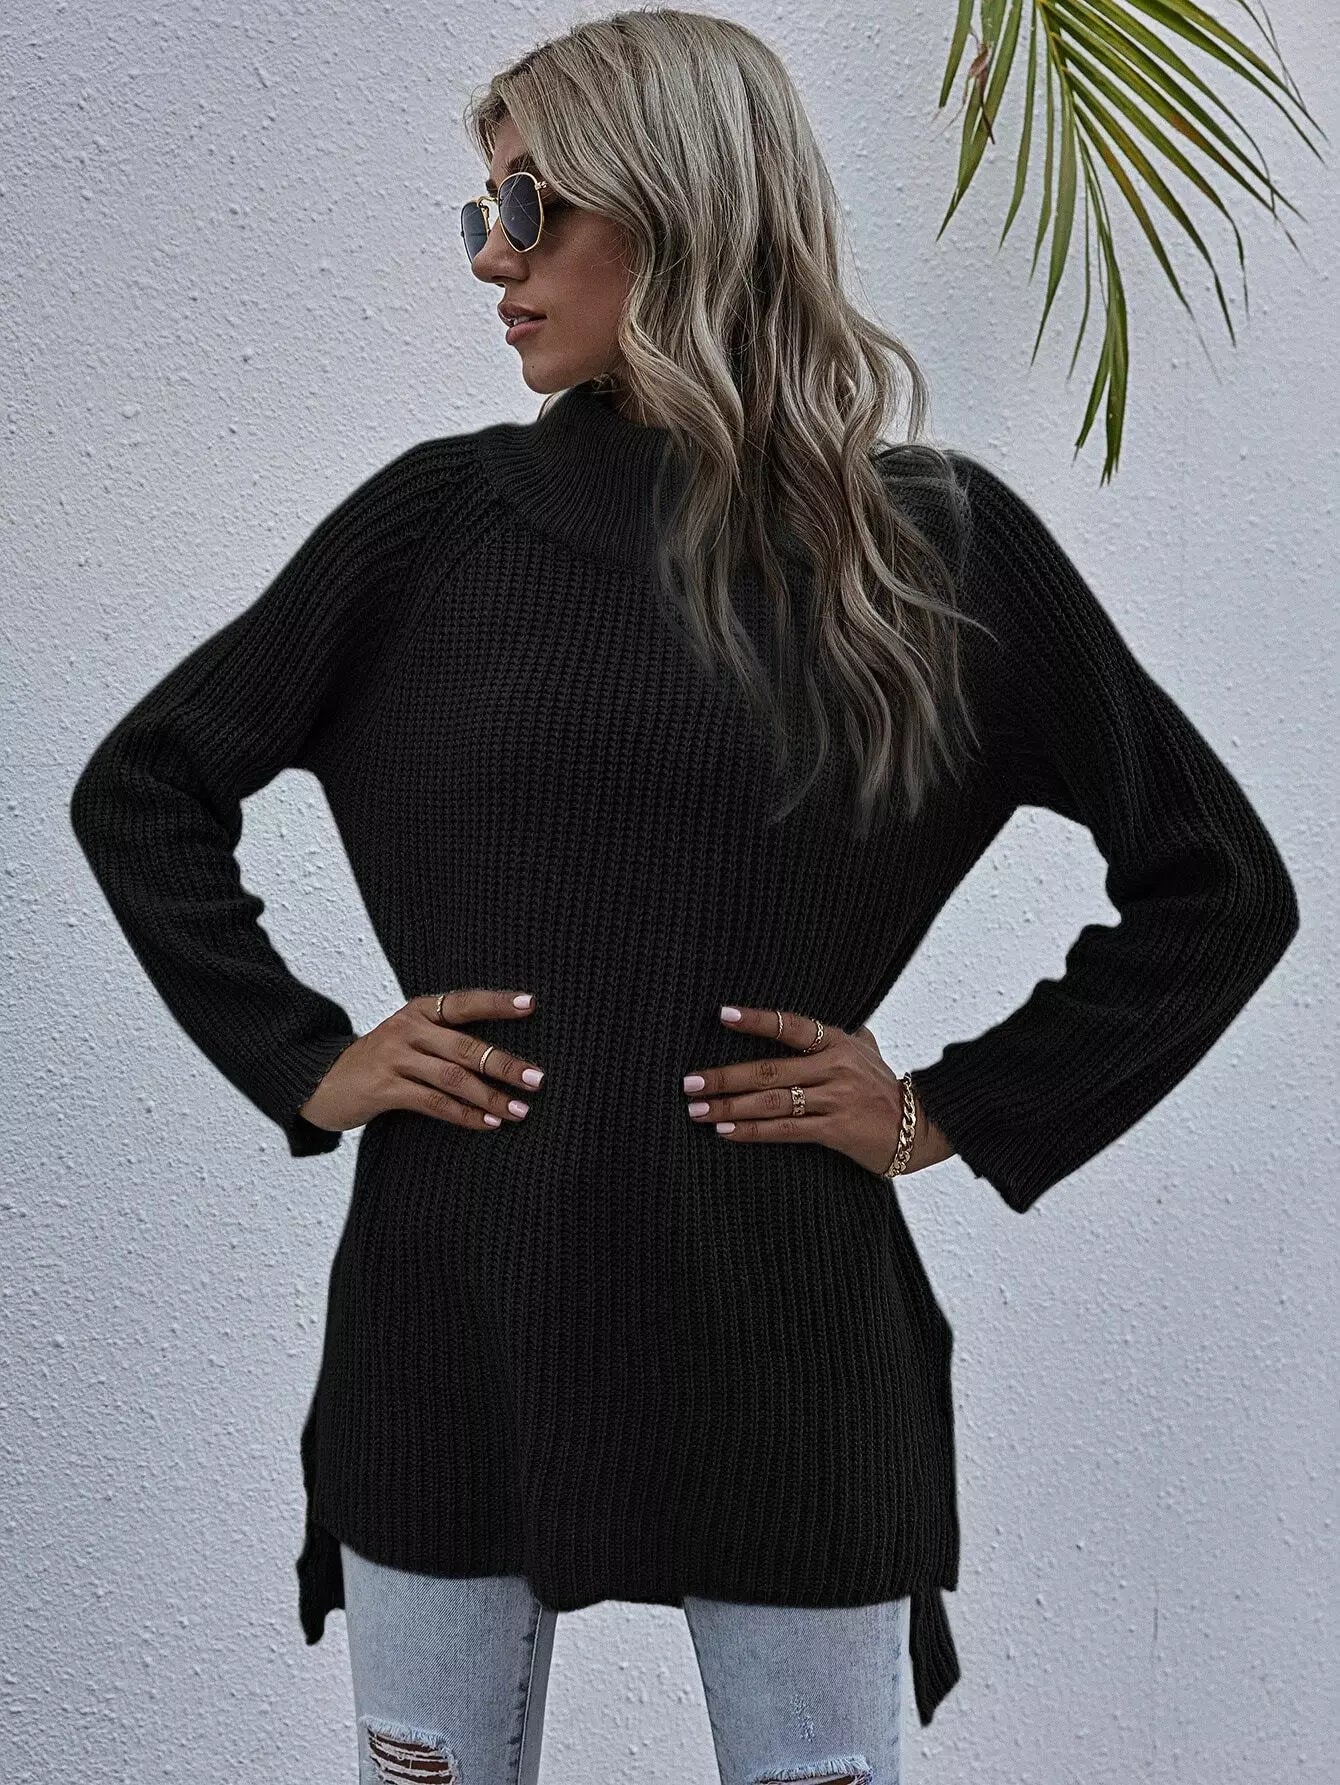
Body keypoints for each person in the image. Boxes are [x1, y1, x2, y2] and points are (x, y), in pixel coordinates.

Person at [68, 11, 1299, 1784]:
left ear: (680, 207)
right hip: (450, 1336)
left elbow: (1219, 883)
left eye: (529, 206)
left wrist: (951, 1107)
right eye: (479, 211)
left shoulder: (921, 549)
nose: (490, 259)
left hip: (787, 1354)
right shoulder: (429, 530)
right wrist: (305, 1058)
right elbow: (147, 785)